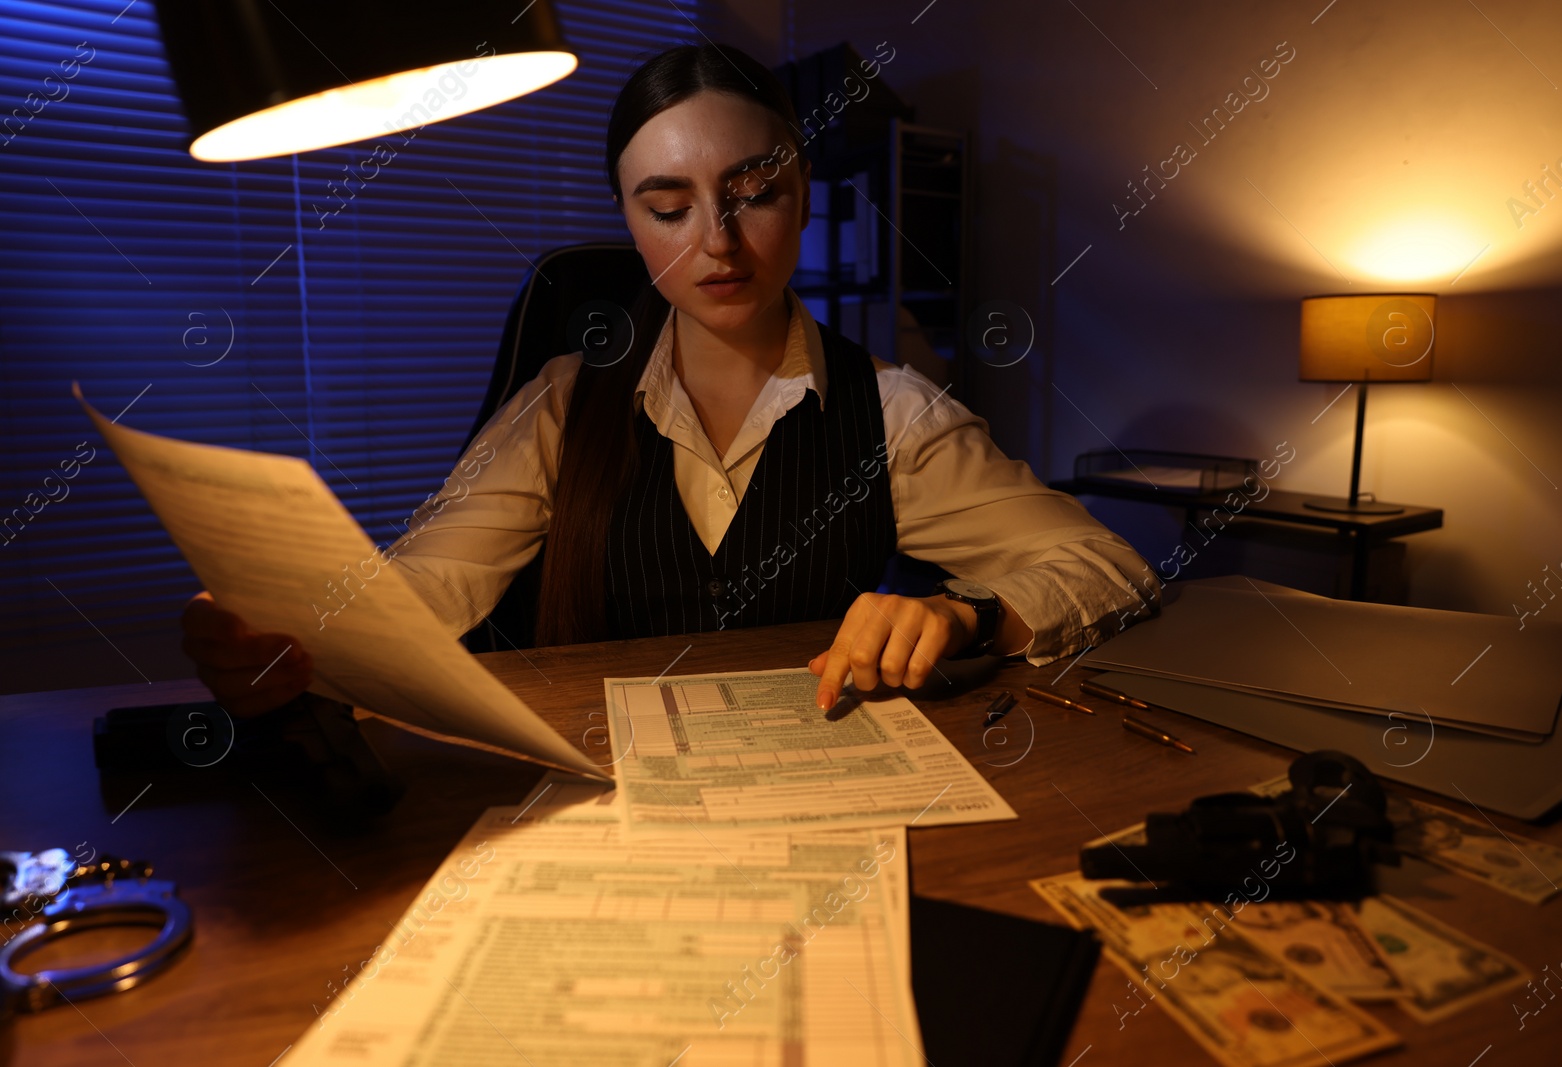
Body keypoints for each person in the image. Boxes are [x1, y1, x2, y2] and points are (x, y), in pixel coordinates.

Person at [181, 43, 1160, 718]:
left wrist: (965, 612)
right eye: (667, 207)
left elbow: (1109, 567)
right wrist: (290, 636)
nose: (718, 243)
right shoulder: (566, 399)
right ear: (626, 216)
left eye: (754, 195)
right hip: (595, 802)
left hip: (811, 791)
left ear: (803, 195)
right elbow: (426, 586)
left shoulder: (892, 410)